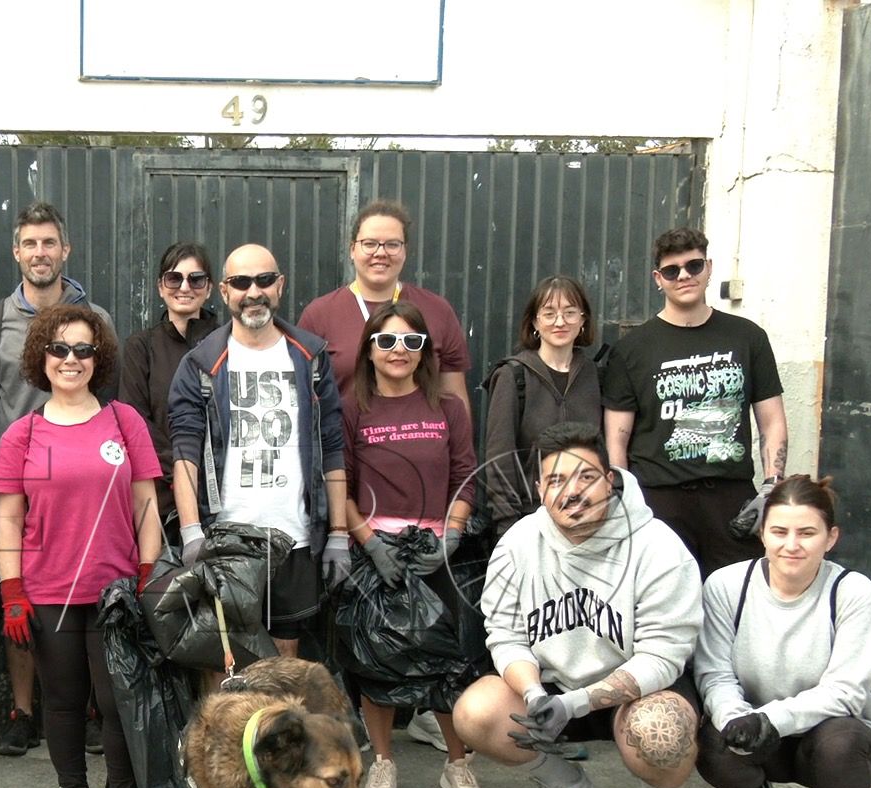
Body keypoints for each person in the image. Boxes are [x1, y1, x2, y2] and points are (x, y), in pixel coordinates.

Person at [454, 422, 705, 788]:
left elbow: (665, 653)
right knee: (475, 711)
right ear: (539, 489)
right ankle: (561, 786)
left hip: (637, 695)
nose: (572, 492)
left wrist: (578, 703)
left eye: (586, 477)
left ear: (610, 478)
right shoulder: (519, 544)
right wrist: (533, 695)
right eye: (555, 480)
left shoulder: (658, 547)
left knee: (664, 729)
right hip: (551, 693)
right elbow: (506, 633)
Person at [0, 305, 164, 788]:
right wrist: (12, 593)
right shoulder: (23, 434)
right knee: (64, 702)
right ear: (42, 357)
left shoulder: (124, 422)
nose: (71, 359)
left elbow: (146, 507)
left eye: (83, 349)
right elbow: (10, 521)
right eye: (60, 349)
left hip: (115, 592)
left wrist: (145, 575)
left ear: (99, 357)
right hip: (47, 592)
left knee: (117, 702)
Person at [693, 476, 871, 788]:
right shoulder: (726, 586)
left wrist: (769, 718)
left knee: (843, 742)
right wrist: (736, 719)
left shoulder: (853, 593)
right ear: (762, 533)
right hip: (760, 737)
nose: (792, 544)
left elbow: (846, 691)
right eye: (780, 531)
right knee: (710, 742)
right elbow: (713, 672)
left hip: (827, 737)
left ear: (831, 538)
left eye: (807, 533)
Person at [0, 201, 116, 757]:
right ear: (17, 252)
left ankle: (95, 707)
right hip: (23, 478)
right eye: (30, 244)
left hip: (84, 477)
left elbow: (111, 391)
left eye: (49, 243)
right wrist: (19, 449)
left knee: (90, 585)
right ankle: (23, 711)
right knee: (21, 588)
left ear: (65, 250)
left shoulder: (94, 319)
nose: (40, 253)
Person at [166, 243, 349, 681]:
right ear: (225, 292)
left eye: (264, 280)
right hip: (226, 539)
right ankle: (221, 751)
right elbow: (186, 453)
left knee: (282, 670)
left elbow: (332, 447)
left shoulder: (310, 358)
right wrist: (192, 530)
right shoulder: (201, 364)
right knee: (222, 664)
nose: (254, 292)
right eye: (242, 282)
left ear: (280, 286)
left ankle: (273, 751)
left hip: (295, 537)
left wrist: (339, 532)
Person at [341, 301, 483, 788]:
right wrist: (370, 544)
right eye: (386, 341)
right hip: (377, 549)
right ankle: (383, 762)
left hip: (435, 549)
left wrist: (454, 533)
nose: (398, 351)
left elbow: (467, 475)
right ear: (369, 351)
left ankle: (457, 763)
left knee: (448, 660)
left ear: (425, 350)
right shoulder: (352, 408)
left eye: (411, 341)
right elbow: (344, 487)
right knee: (376, 660)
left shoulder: (448, 409)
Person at [602, 227, 788, 574]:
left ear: (709, 267)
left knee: (736, 604)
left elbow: (772, 419)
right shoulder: (631, 350)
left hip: (732, 498)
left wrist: (771, 488)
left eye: (694, 265)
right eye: (672, 270)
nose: (684, 276)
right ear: (658, 279)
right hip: (659, 499)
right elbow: (617, 436)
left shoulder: (748, 337)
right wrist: (623, 500)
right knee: (665, 607)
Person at [297, 199, 473, 416]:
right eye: (369, 243)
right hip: (347, 446)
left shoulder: (437, 310)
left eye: (392, 244)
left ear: (404, 251)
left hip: (420, 444)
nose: (380, 253)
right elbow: (302, 397)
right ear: (353, 250)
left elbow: (455, 400)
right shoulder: (319, 315)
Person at [482, 275, 606, 536]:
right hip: (530, 519)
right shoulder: (513, 376)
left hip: (589, 519)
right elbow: (499, 457)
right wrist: (508, 526)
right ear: (535, 322)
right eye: (549, 313)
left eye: (570, 313)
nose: (560, 322)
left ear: (583, 320)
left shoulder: (596, 375)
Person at [119, 241, 221, 521]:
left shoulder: (229, 344)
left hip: (224, 494)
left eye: (196, 279)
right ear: (161, 287)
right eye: (174, 278)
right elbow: (134, 419)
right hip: (162, 496)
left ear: (210, 288)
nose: (185, 287)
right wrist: (179, 470)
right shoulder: (140, 347)